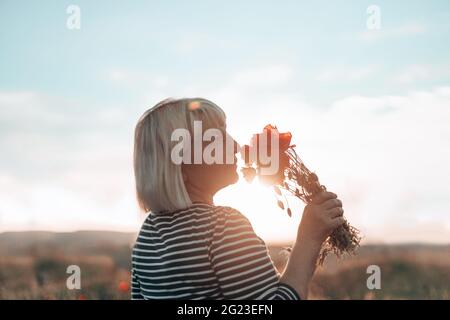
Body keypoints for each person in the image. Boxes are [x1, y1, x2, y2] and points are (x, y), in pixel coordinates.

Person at [131, 98, 344, 299]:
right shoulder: (223, 226)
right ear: (179, 164)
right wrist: (309, 239)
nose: (235, 146)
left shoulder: (146, 235)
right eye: (216, 138)